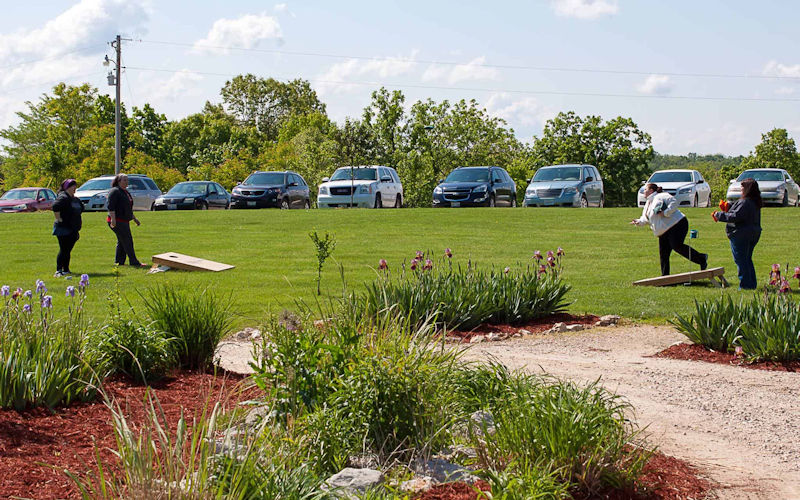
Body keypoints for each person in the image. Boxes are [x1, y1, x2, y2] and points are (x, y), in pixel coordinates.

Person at [631, 183, 708, 276]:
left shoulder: (661, 196)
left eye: (646, 189)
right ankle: (665, 277)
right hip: (664, 231)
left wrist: (666, 213)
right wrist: (638, 221)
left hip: (677, 224)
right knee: (663, 254)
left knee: (676, 246)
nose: (644, 191)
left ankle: (702, 258)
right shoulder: (648, 203)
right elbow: (646, 219)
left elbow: (674, 202)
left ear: (651, 190)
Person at [712, 178, 762, 290]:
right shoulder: (754, 201)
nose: (741, 190)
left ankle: (745, 286)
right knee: (747, 259)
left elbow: (735, 216)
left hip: (741, 234)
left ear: (747, 189)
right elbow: (740, 211)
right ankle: (751, 284)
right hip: (753, 233)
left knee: (741, 260)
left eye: (742, 188)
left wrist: (718, 215)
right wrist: (728, 207)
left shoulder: (745, 202)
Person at [107, 173, 146, 267]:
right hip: (117, 220)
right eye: (124, 180)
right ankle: (134, 262)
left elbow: (127, 207)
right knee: (127, 240)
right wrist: (113, 219)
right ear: (118, 181)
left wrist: (134, 218)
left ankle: (119, 262)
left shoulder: (125, 192)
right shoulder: (115, 191)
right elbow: (110, 207)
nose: (126, 182)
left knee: (122, 241)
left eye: (127, 180)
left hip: (124, 220)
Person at [52, 178, 83, 277]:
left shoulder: (75, 199)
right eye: (72, 186)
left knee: (68, 250)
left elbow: (81, 208)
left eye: (75, 186)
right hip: (63, 228)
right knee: (64, 249)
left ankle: (66, 269)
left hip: (73, 228)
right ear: (66, 188)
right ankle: (58, 270)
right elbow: (55, 207)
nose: (74, 188)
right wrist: (59, 219)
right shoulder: (63, 197)